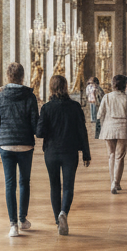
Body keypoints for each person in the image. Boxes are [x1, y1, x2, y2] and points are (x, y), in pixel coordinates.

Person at [0, 61, 40, 237]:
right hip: (25, 144)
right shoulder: (29, 97)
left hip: (6, 144)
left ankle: (13, 226)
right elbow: (35, 125)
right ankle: (23, 219)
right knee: (24, 182)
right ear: (22, 76)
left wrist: (6, 125)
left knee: (9, 184)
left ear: (8, 76)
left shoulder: (0, 97)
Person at [35, 74, 91, 235]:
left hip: (51, 152)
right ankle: (63, 213)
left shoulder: (46, 108)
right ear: (66, 87)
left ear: (51, 88)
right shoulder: (75, 107)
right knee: (68, 186)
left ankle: (57, 221)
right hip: (70, 152)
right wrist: (86, 153)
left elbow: (39, 133)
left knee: (54, 186)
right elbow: (82, 131)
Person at [97, 74, 127, 193]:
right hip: (123, 128)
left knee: (111, 155)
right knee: (119, 156)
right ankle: (116, 182)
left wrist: (104, 125)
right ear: (124, 85)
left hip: (109, 128)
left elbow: (100, 114)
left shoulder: (107, 97)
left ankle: (112, 182)